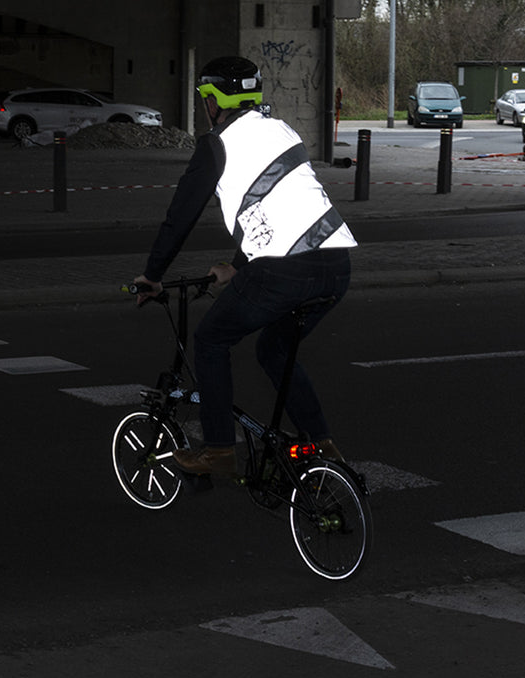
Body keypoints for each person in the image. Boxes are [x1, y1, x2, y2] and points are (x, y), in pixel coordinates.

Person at [133, 56, 357, 477]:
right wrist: (237, 265)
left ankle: (218, 448)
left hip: (283, 271)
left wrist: (153, 275)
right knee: (272, 349)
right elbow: (276, 201)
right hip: (336, 264)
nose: (205, 106)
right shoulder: (281, 129)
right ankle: (321, 443)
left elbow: (179, 216)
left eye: (205, 98)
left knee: (211, 340)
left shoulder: (216, 143)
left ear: (213, 100)